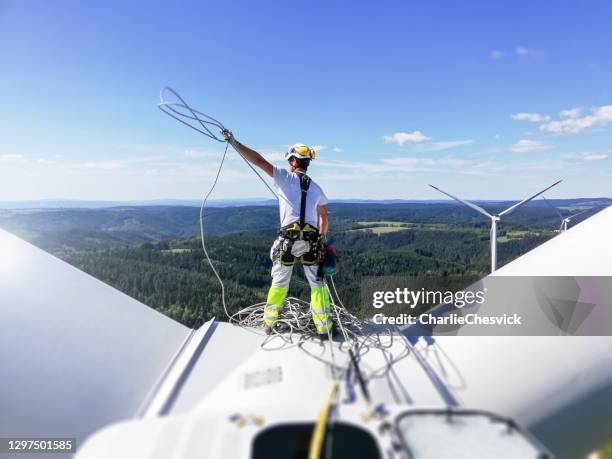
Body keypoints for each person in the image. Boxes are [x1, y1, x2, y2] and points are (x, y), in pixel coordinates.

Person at [222, 130, 333, 337]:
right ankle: (324, 328)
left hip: (287, 242)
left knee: (280, 283)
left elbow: (258, 160)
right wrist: (321, 240)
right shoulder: (317, 188)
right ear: (307, 163)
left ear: (292, 161)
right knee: (317, 285)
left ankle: (269, 324)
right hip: (310, 242)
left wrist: (235, 143)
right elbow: (324, 218)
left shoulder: (284, 177)